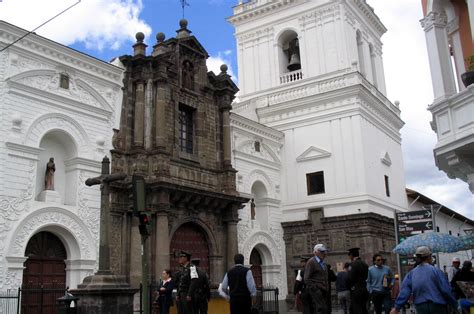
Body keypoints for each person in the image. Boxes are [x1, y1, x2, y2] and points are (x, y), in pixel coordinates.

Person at [390, 246, 456, 314]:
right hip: (437, 306)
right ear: (429, 257)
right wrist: (454, 304)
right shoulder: (436, 271)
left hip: (421, 307)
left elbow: (405, 291)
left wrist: (396, 308)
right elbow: (446, 290)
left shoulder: (412, 273)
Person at [304, 243, 330, 314]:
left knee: (324, 309)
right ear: (316, 252)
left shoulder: (323, 263)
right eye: (322, 251)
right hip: (317, 290)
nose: (324, 253)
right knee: (321, 308)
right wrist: (315, 289)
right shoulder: (311, 262)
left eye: (325, 251)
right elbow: (306, 278)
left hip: (324, 290)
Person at [347, 247, 369, 314]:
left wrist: (350, 287)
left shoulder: (353, 264)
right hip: (365, 289)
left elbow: (350, 278)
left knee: (357, 309)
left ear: (351, 255)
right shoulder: (365, 264)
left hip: (356, 290)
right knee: (364, 308)